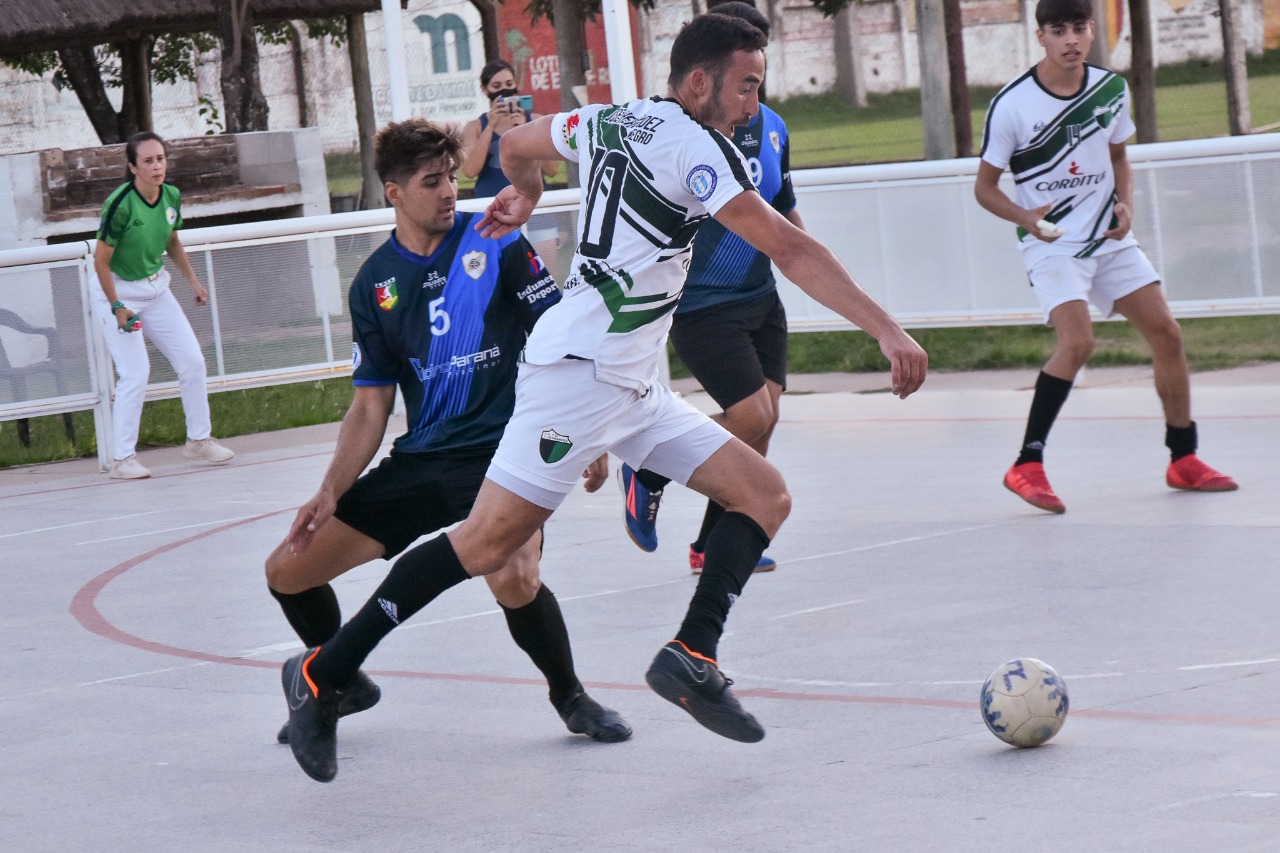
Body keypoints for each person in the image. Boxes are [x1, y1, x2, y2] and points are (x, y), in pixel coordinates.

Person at [280, 12, 926, 782]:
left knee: (765, 494)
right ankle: (325, 673)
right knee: (486, 545)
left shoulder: (615, 118)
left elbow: (518, 144)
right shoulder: (698, 146)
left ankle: (692, 653)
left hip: (632, 381)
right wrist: (887, 329)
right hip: (581, 374)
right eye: (747, 86)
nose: (754, 104)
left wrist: (523, 193)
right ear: (700, 82)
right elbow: (787, 245)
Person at [266, 118, 630, 761]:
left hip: (504, 455)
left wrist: (588, 433)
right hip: (423, 460)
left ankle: (571, 696)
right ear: (394, 193)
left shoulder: (495, 239)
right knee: (287, 571)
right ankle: (340, 680)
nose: (448, 192)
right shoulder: (374, 283)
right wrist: (329, 490)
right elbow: (371, 404)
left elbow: (559, 338)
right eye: (432, 182)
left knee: (514, 573)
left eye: (452, 179)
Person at [975, 0, 1237, 514]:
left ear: (1092, 31)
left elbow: (1119, 154)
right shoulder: (1012, 104)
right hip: (1053, 246)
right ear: (1041, 37)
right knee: (1078, 343)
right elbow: (984, 189)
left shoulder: (1109, 89)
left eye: (1079, 28)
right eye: (1058, 30)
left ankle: (1183, 459)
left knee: (1167, 333)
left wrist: (1126, 203)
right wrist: (1027, 218)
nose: (1070, 39)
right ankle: (1027, 464)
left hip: (1109, 239)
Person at [618, 0, 794, 575]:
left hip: (760, 295)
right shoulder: (690, 135)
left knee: (763, 422)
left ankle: (711, 545)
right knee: (750, 417)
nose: (753, 91)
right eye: (745, 76)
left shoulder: (772, 127)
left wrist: (803, 262)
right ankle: (649, 466)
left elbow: (784, 207)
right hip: (703, 303)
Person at [92, 131, 234, 479]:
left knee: (192, 361)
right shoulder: (120, 204)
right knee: (136, 372)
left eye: (160, 159)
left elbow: (172, 240)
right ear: (132, 167)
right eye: (148, 161)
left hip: (156, 289)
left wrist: (193, 281)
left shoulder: (171, 195)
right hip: (118, 291)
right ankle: (122, 460)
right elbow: (100, 262)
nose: (157, 166)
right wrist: (117, 306)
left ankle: (198, 440)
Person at [460, 59, 558, 198]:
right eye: (496, 86)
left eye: (509, 84)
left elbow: (551, 170)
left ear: (516, 84)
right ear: (484, 89)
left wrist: (525, 130)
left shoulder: (536, 121)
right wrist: (490, 127)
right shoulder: (475, 126)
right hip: (491, 199)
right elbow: (470, 171)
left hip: (531, 199)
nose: (504, 90)